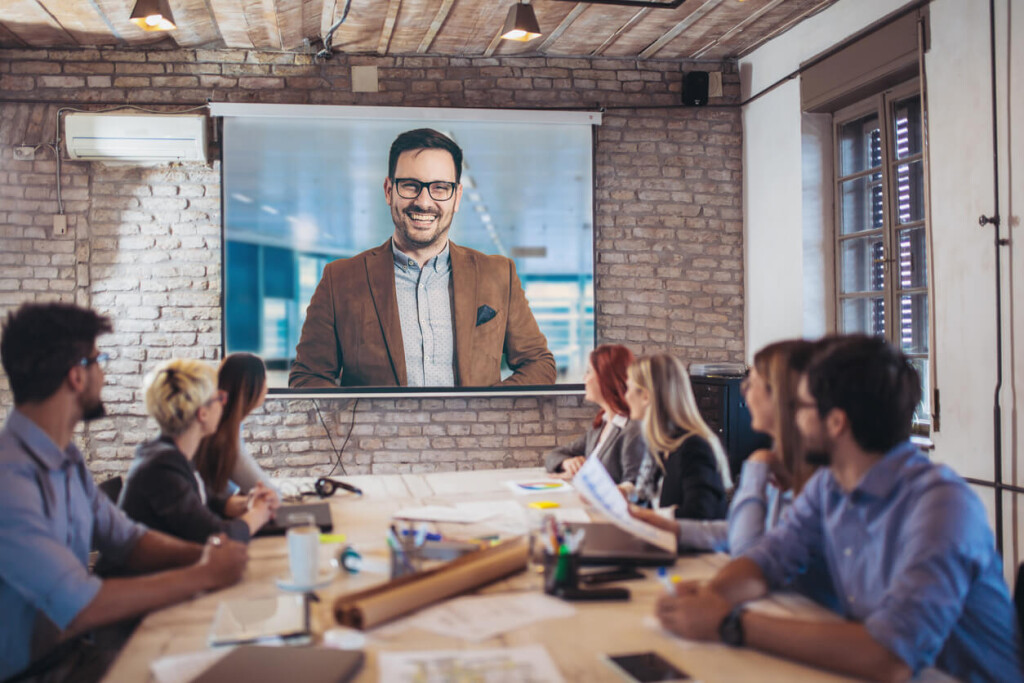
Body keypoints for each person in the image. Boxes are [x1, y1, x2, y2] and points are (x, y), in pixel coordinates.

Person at [655, 335, 1022, 682]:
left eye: (800, 406)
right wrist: (712, 596)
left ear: (836, 423)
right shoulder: (829, 486)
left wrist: (730, 622)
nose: (793, 418)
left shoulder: (942, 506)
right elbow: (767, 559)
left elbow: (890, 656)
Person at [0, 302, 247, 682]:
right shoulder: (10, 481)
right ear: (76, 377)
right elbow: (78, 603)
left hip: (75, 654)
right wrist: (204, 575)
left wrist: (205, 555)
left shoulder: (66, 458)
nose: (104, 374)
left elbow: (126, 539)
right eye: (99, 360)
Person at [289, 127, 556, 388]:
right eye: (410, 185)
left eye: (440, 188)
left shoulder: (498, 275)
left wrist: (488, 410)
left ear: (457, 197)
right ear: (388, 190)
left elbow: (539, 364)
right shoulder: (340, 280)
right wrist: (361, 423)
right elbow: (307, 377)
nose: (424, 201)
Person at [630, 340, 820, 554]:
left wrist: (757, 468)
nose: (744, 391)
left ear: (779, 394)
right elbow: (737, 532)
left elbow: (749, 549)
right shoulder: (778, 457)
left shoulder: (810, 472)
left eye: (751, 382)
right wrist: (665, 524)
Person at [120, 359, 277, 544]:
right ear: (202, 414)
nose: (224, 404)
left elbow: (206, 501)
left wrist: (247, 502)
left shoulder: (171, 456)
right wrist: (259, 513)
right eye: (219, 398)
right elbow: (216, 537)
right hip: (144, 573)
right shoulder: (161, 469)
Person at [621, 354, 732, 519]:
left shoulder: (693, 446)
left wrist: (645, 516)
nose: (625, 396)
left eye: (628, 388)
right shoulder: (661, 443)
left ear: (646, 396)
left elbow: (699, 515)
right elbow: (648, 499)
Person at [543, 344, 644, 484]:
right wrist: (568, 463)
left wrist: (584, 479)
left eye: (589, 371)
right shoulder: (601, 423)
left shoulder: (632, 430)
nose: (585, 378)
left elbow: (634, 487)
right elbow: (553, 456)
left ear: (606, 377)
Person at [194, 352, 276, 496]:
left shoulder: (228, 424)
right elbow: (268, 492)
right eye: (265, 381)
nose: (267, 388)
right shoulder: (224, 433)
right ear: (252, 387)